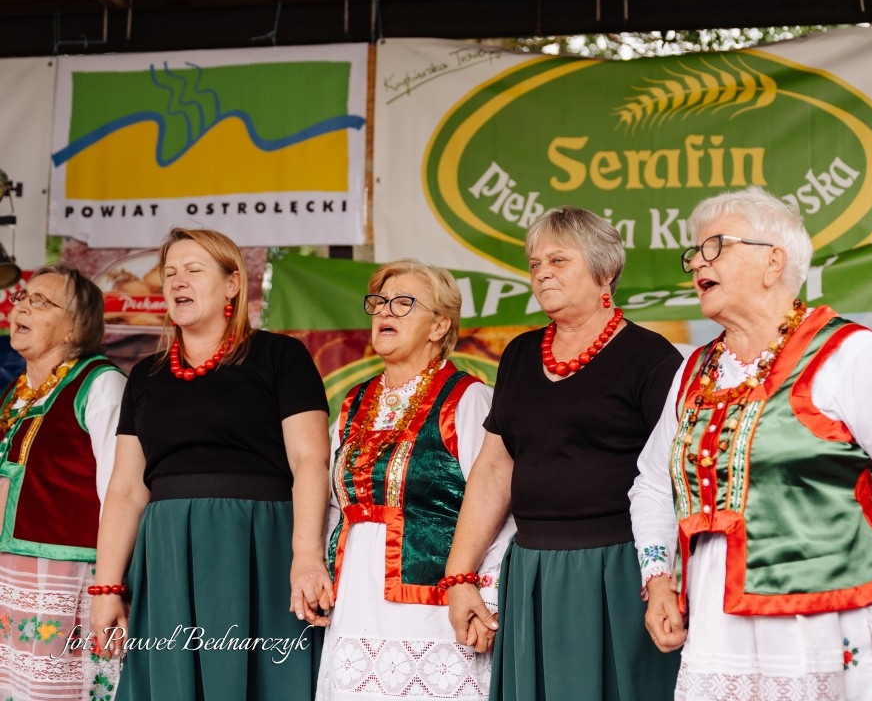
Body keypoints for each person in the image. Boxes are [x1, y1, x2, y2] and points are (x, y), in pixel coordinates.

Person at [630, 185, 872, 700]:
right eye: (694, 252)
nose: (695, 264)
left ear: (773, 262)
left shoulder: (849, 354)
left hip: (824, 617)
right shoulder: (694, 370)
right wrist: (658, 577)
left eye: (715, 246)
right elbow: (650, 483)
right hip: (717, 620)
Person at [445, 207, 683, 701]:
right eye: (534, 264)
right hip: (532, 569)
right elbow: (493, 467)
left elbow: (676, 477)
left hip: (619, 570)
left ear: (605, 272)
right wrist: (459, 577)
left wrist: (665, 580)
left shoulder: (652, 357)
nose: (542, 273)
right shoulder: (517, 354)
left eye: (557, 259)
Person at [90, 227, 331, 701]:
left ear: (232, 284)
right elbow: (125, 489)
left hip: (259, 543)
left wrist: (306, 556)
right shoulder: (144, 375)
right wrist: (106, 588)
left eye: (194, 270)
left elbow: (310, 459)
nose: (178, 281)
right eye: (170, 273)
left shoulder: (280, 356)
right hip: (166, 551)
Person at [317, 259, 513, 700]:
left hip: (433, 609)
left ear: (439, 325)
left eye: (404, 303)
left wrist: (488, 598)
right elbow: (336, 504)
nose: (385, 312)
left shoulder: (467, 399)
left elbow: (499, 506)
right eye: (380, 302)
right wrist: (321, 570)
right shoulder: (355, 401)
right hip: (354, 603)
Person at [0, 267, 124, 701]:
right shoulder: (18, 392)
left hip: (65, 575)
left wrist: (110, 587)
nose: (22, 306)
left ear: (76, 327)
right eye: (22, 298)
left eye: (41, 301)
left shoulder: (101, 384)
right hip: (8, 572)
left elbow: (121, 491)